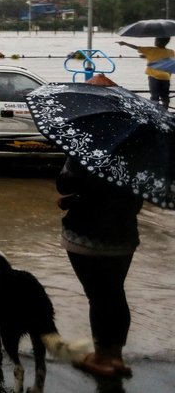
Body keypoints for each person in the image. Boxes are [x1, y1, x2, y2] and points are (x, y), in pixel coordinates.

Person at [57, 155, 143, 378]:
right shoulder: (140, 155)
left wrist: (70, 201)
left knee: (98, 296)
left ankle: (101, 358)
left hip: (86, 237)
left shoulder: (88, 148)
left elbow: (65, 184)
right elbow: (133, 201)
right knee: (115, 292)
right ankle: (116, 357)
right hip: (123, 238)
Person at [117, 37, 172, 108]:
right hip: (166, 78)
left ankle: (156, 114)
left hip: (154, 77)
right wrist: (147, 56)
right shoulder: (171, 51)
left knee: (154, 97)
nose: (155, 41)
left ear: (159, 41)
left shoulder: (151, 50)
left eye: (156, 39)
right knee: (165, 97)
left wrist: (125, 43)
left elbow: (137, 47)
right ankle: (166, 112)